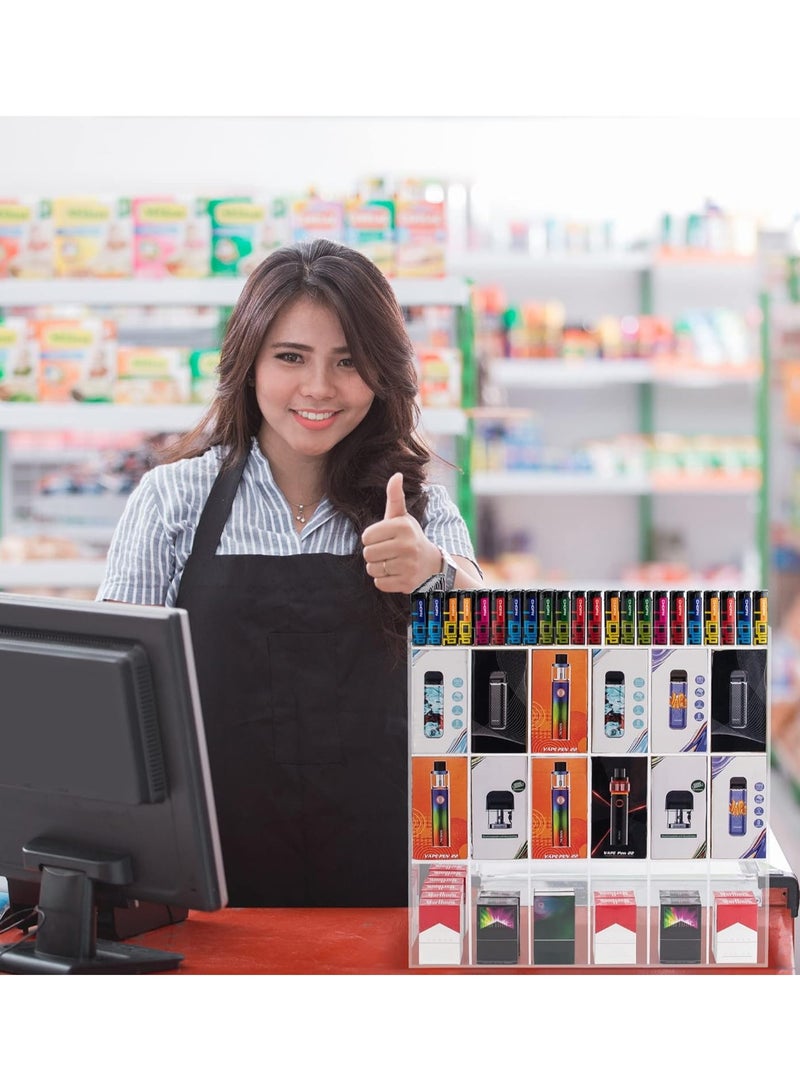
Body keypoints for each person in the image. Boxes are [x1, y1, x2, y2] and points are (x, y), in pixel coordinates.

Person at [97, 237, 483, 908]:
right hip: (207, 890)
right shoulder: (172, 502)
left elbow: (502, 665)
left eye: (348, 361)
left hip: (389, 891)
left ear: (381, 373)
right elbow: (111, 706)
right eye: (290, 357)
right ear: (248, 363)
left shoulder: (419, 511)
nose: (319, 388)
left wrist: (435, 571)